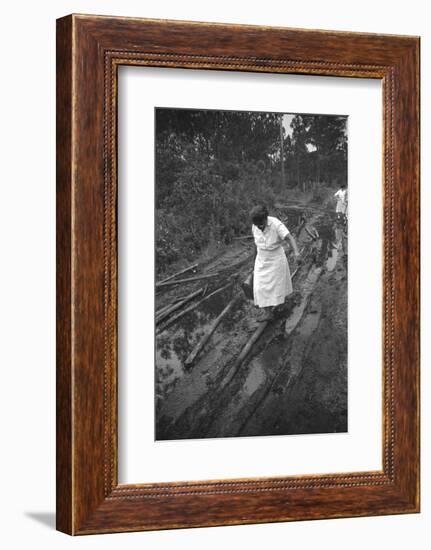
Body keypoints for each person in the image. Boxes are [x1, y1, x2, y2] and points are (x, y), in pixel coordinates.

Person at [250, 205, 300, 322]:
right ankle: (268, 313)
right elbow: (255, 244)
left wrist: (296, 253)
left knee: (277, 287)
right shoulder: (255, 226)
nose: (259, 227)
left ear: (266, 218)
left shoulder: (276, 224)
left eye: (261, 224)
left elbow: (290, 238)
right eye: (257, 225)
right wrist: (254, 261)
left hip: (276, 259)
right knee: (260, 288)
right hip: (261, 260)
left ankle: (279, 306)